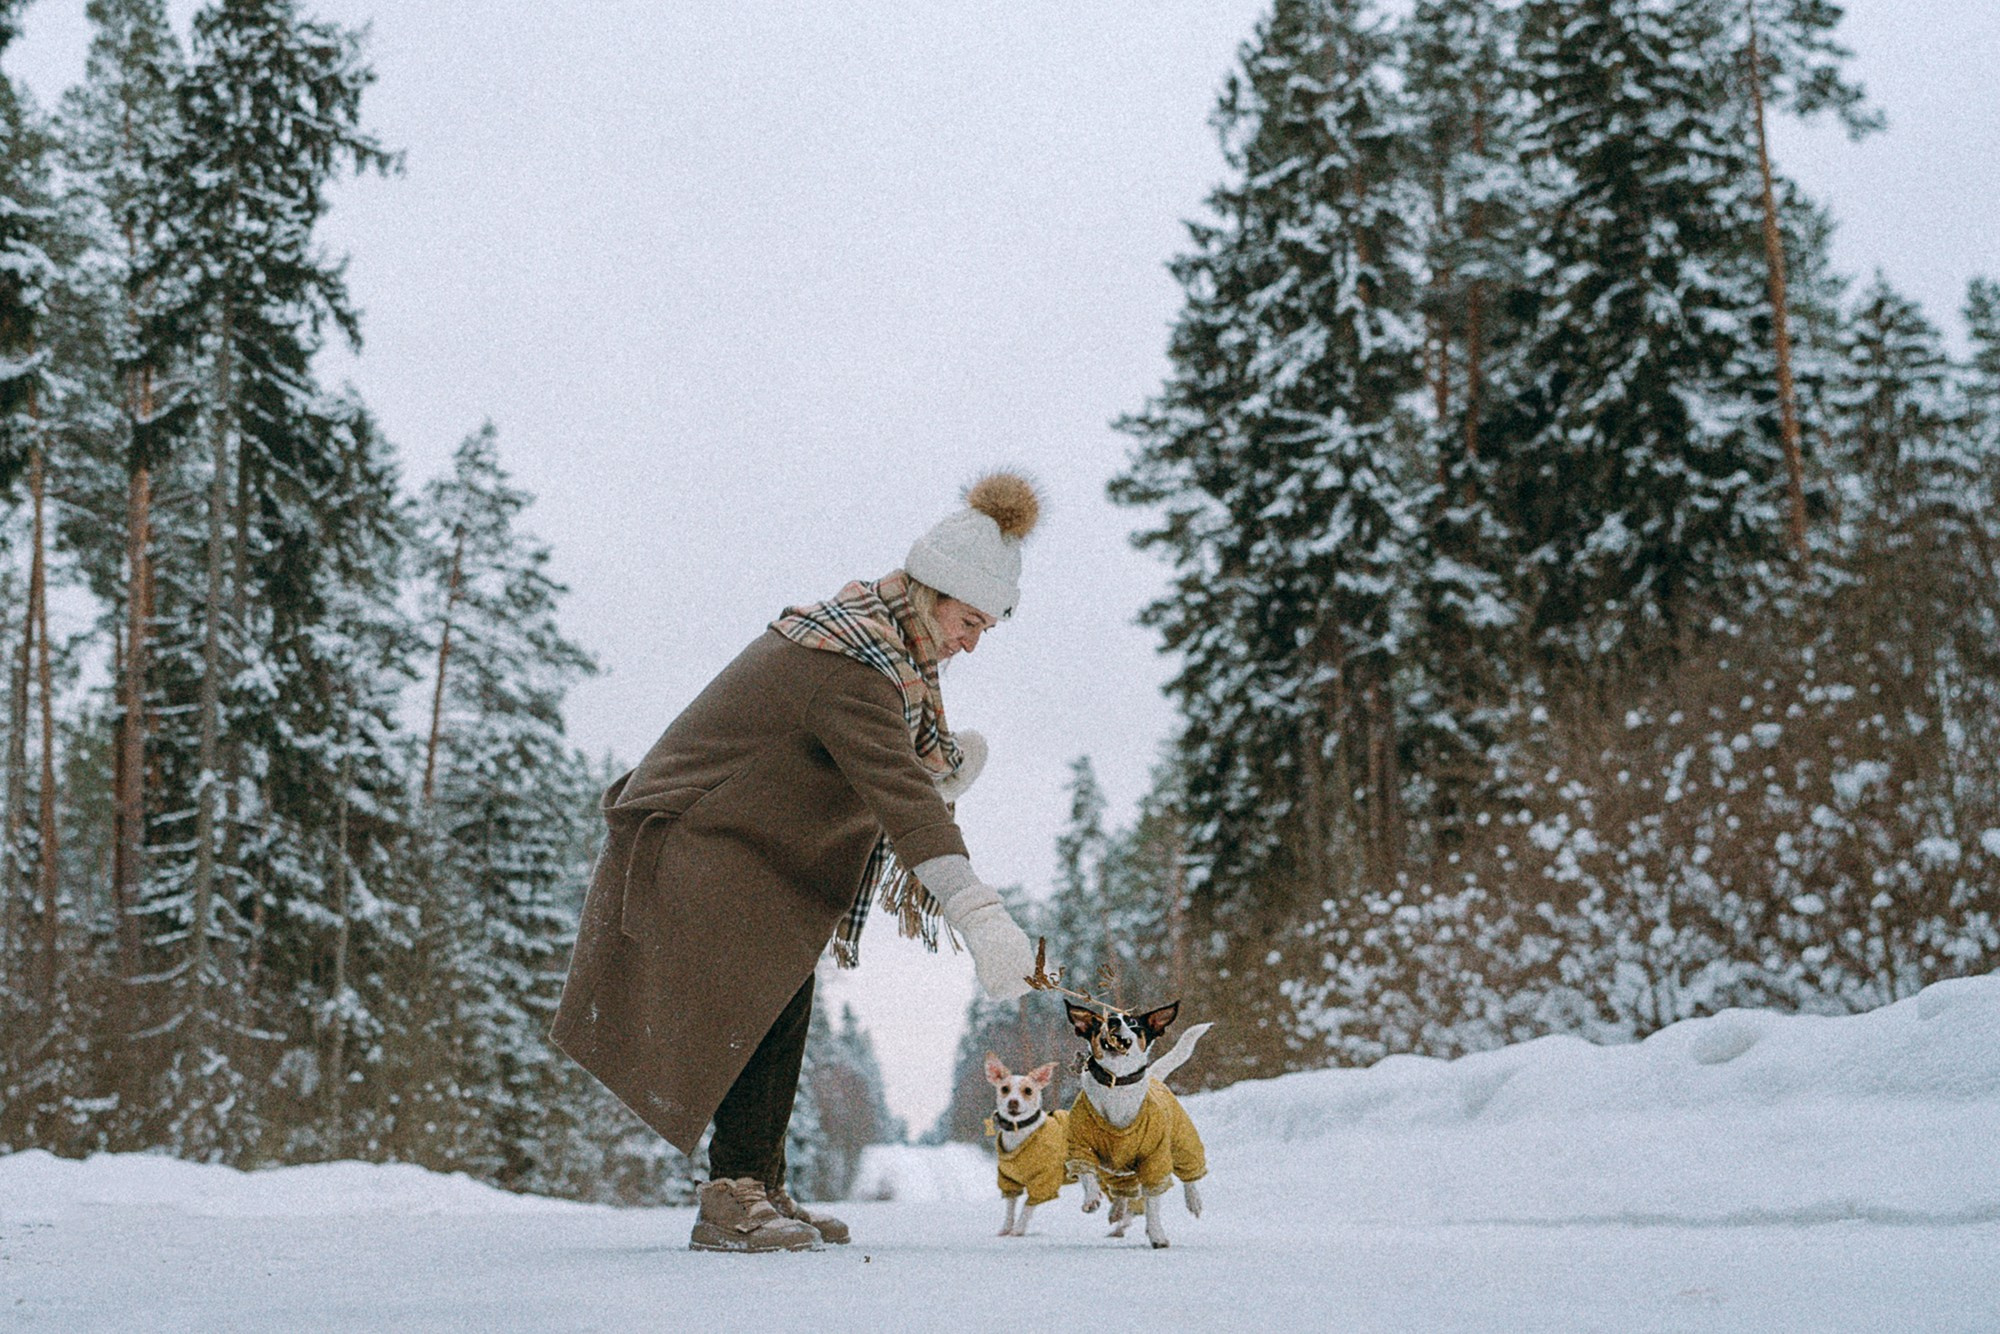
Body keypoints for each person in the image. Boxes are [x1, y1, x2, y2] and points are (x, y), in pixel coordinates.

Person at [550, 472, 1042, 1252]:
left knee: (782, 991)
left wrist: (934, 770)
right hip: (691, 838)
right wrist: (980, 915)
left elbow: (900, 776)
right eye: (969, 619)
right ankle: (733, 1194)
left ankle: (759, 1182)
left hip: (734, 845)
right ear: (933, 593)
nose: (973, 640)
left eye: (989, 626)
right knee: (754, 994)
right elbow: (903, 804)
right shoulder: (852, 665)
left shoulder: (884, 657)